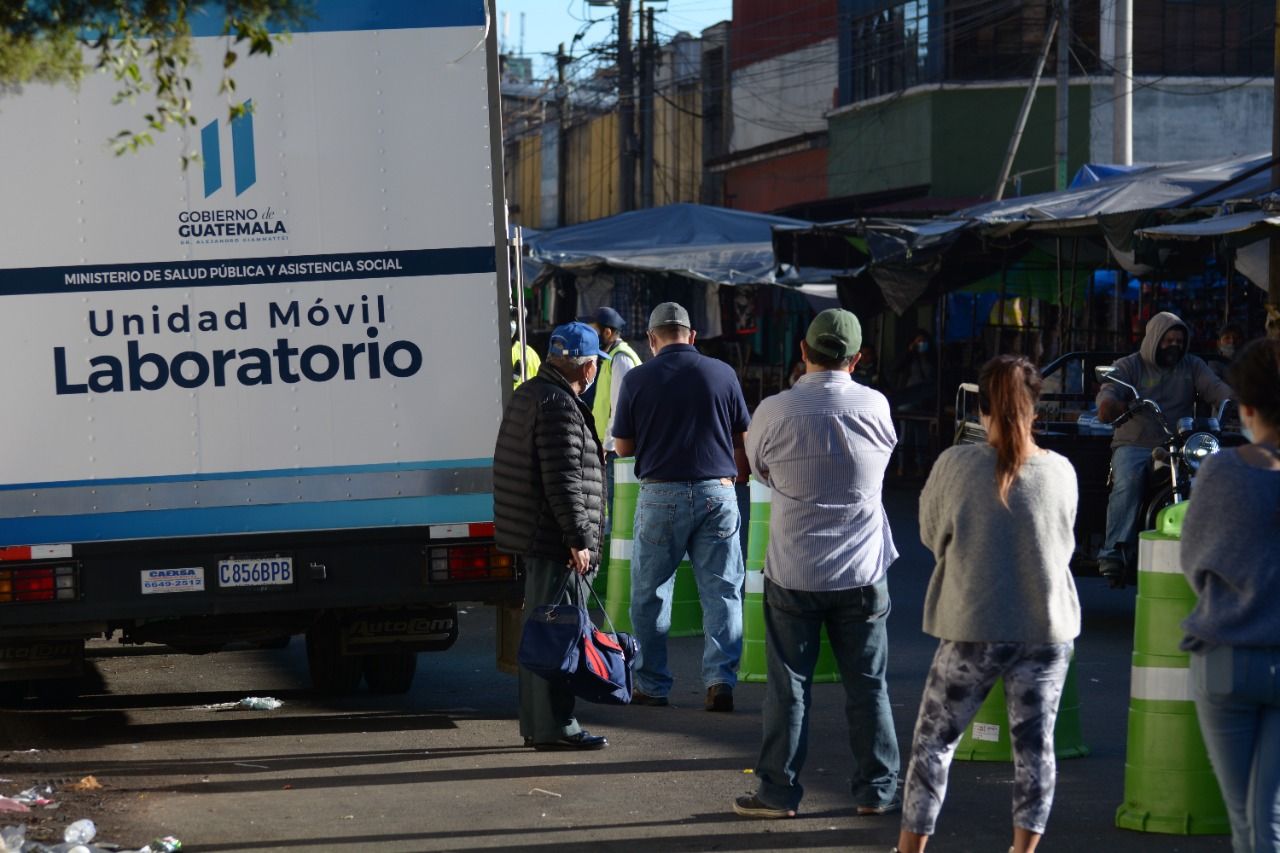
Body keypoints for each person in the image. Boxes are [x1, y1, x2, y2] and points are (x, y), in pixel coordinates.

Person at [897, 355, 1080, 853]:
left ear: (980, 409)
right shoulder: (1061, 471)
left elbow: (932, 534)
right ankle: (1023, 850)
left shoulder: (957, 464)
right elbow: (1063, 545)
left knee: (934, 744)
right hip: (1047, 628)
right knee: (1035, 749)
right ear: (1035, 408)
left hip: (973, 625)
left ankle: (910, 849)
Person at [733, 309, 901, 820]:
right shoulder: (876, 405)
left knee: (789, 688)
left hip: (794, 569)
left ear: (803, 352)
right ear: (856, 359)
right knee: (868, 685)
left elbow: (755, 468)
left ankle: (777, 794)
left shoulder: (775, 410)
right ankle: (877, 791)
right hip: (863, 570)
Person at [611, 302, 751, 712]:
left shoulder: (637, 379)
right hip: (717, 493)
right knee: (723, 592)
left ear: (653, 340)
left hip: (660, 495)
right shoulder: (723, 373)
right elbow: (742, 438)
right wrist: (733, 478)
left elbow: (623, 447)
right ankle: (720, 682)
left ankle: (652, 686)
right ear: (692, 336)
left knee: (650, 593)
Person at [1179, 337, 1280, 853]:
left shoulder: (1222, 469)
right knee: (1268, 819)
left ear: (1247, 407)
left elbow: (1194, 562)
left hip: (1226, 659)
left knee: (1246, 821)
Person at [493, 321, 611, 751]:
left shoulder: (531, 394)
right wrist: (578, 538)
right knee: (557, 636)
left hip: (537, 537)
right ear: (587, 368)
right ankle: (555, 726)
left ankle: (539, 724)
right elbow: (564, 481)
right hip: (555, 543)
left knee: (543, 632)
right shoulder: (559, 404)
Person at [1094, 310, 1232, 587]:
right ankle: (1112, 552)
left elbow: (1217, 389)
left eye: (1179, 341)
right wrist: (1113, 404)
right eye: (1168, 340)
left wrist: (1236, 401)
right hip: (1135, 443)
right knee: (1129, 481)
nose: (1174, 346)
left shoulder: (1191, 366)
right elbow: (1108, 394)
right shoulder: (1129, 366)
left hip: (1178, 443)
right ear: (1154, 339)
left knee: (1212, 477)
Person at [582, 306, 642, 526]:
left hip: (617, 451)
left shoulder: (621, 359)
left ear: (607, 332)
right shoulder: (610, 358)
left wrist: (607, 446)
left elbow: (619, 409)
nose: (590, 335)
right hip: (612, 448)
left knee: (619, 512)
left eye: (593, 330)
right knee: (610, 510)